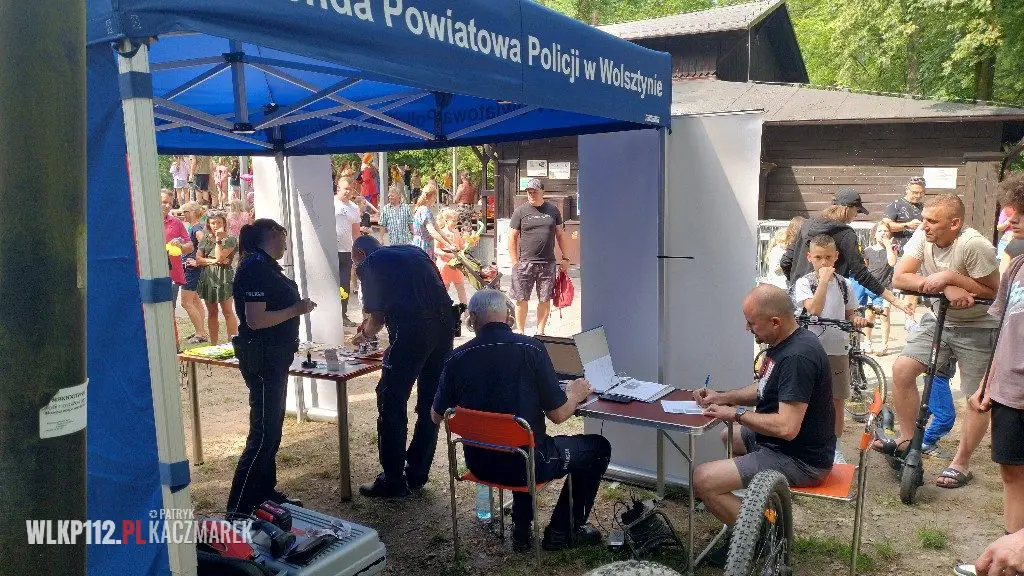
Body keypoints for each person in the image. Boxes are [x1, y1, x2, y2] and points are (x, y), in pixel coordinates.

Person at [431, 289, 608, 552]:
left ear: (472, 319)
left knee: (519, 441)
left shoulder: (456, 358)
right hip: (528, 465)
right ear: (509, 315)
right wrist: (575, 394)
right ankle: (562, 532)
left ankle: (522, 529)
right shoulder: (531, 349)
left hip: (480, 464)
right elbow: (559, 415)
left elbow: (436, 416)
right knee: (597, 448)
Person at [693, 285, 834, 564]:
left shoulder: (797, 357)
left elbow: (786, 428)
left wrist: (736, 413)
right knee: (729, 437)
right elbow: (764, 388)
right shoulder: (786, 342)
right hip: (788, 446)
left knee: (702, 480)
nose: (747, 328)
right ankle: (758, 507)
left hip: (800, 458)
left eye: (751, 323)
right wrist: (723, 397)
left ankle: (763, 536)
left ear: (775, 322)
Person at [876, 194, 999, 489]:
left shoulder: (974, 245)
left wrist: (949, 277)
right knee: (902, 370)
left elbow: (994, 291)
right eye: (925, 219)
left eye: (932, 221)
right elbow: (900, 277)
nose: (924, 226)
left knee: (977, 398)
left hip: (979, 326)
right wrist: (944, 287)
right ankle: (908, 441)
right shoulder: (923, 236)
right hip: (939, 317)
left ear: (954, 224)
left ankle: (961, 463)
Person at [953, 175, 1024, 576]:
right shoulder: (1016, 267)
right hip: (1009, 387)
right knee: (1011, 471)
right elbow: (1003, 329)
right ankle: (1010, 561)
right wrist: (986, 382)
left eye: (1022, 212)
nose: (1011, 219)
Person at [350, 235, 455, 497]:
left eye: (354, 262)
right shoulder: (413, 250)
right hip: (444, 328)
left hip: (412, 330)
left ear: (360, 254)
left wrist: (364, 335)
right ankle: (417, 472)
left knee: (391, 398)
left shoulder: (369, 264)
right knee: (431, 402)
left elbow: (376, 318)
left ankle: (393, 480)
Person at [226, 219, 317, 517]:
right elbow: (256, 320)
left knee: (272, 428)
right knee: (263, 433)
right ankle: (238, 508)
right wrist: (297, 309)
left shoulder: (264, 265)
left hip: (274, 355)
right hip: (263, 356)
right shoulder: (255, 266)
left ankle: (264, 493)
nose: (286, 243)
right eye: (284, 236)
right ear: (273, 235)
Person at [791, 234, 868, 463]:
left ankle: (835, 447)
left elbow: (850, 313)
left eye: (828, 257)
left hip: (837, 349)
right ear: (809, 257)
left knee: (836, 400)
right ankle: (803, 444)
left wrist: (856, 319)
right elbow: (814, 309)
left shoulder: (845, 284)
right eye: (818, 258)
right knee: (804, 399)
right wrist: (823, 281)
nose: (823, 262)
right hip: (809, 349)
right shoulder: (805, 283)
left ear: (836, 257)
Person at [781, 188, 911, 316]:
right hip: (828, 304)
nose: (856, 215)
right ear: (848, 209)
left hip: (798, 302)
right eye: (857, 210)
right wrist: (894, 300)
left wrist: (798, 284)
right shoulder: (845, 234)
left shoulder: (806, 225)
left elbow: (785, 262)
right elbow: (861, 273)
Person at [509, 178, 570, 336]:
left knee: (544, 299)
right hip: (525, 263)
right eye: (529, 191)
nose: (531, 194)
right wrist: (514, 261)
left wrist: (566, 258)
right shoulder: (520, 211)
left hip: (547, 263)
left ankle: (540, 332)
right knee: (521, 299)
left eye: (534, 191)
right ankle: (521, 333)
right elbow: (512, 236)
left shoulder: (553, 210)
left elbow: (560, 234)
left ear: (543, 192)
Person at [195, 211, 240, 345]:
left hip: (224, 276)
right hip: (208, 277)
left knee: (227, 311)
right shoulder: (205, 238)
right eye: (213, 223)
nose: (216, 225)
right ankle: (214, 344)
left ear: (224, 223)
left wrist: (219, 241)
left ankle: (232, 344)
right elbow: (198, 259)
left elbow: (220, 256)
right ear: (208, 224)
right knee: (212, 312)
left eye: (219, 222)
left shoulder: (231, 239)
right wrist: (214, 261)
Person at [855, 222, 897, 354]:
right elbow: (865, 267)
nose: (883, 233)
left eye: (886, 231)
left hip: (885, 288)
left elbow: (892, 262)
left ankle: (884, 344)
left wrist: (888, 246)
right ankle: (867, 341)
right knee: (869, 315)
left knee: (884, 316)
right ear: (874, 234)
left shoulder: (893, 249)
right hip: (870, 287)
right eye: (880, 231)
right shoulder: (867, 250)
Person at [178, 201, 210, 344]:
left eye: (185, 212)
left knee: (186, 302)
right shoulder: (195, 226)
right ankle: (200, 330)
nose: (182, 215)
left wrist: (198, 261)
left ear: (193, 213)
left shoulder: (196, 228)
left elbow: (206, 244)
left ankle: (200, 333)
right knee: (195, 301)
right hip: (192, 269)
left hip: (192, 270)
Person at [335, 177, 361, 328]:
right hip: (331, 250)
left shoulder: (354, 208)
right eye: (345, 189)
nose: (347, 192)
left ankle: (342, 314)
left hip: (346, 251)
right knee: (330, 283)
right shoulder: (330, 203)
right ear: (338, 188)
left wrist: (357, 252)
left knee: (344, 284)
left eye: (350, 189)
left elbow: (356, 232)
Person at [161, 190, 192, 313]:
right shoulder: (146, 222)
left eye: (170, 203)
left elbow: (190, 247)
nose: (167, 206)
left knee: (170, 311)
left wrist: (180, 246)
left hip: (172, 274)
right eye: (164, 202)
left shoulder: (176, 222)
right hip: (151, 274)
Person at [435, 208, 470, 306]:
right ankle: (442, 309)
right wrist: (446, 254)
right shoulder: (441, 233)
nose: (456, 223)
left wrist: (470, 243)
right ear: (446, 220)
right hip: (445, 264)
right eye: (453, 220)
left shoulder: (456, 232)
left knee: (461, 288)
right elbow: (435, 249)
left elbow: (462, 246)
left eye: (456, 220)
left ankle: (465, 309)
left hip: (456, 264)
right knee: (444, 288)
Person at [411, 183, 451, 260]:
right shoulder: (425, 211)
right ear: (433, 196)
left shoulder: (421, 209)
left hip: (418, 243)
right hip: (423, 246)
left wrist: (450, 242)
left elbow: (438, 230)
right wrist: (448, 245)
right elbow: (432, 231)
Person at [763, 216, 804, 289]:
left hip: (787, 285)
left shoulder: (794, 248)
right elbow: (776, 270)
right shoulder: (778, 249)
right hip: (780, 286)